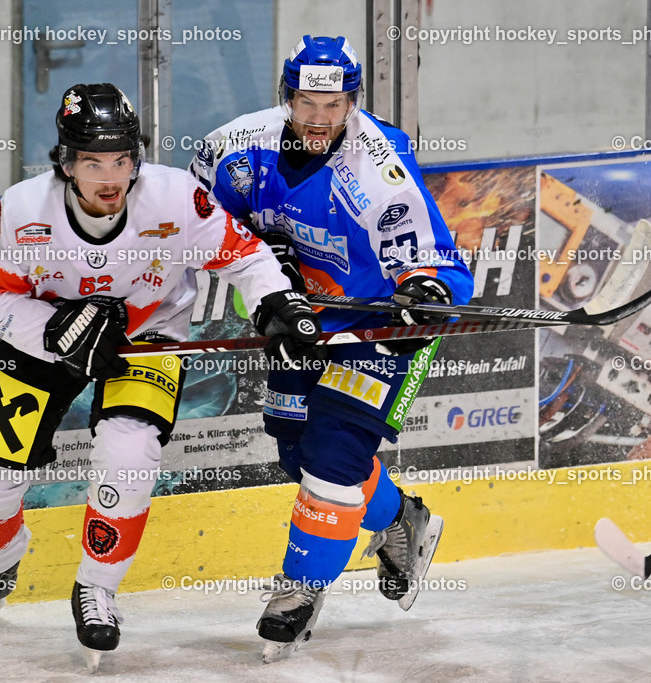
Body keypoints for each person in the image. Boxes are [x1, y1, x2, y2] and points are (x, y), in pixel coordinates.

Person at [0, 83, 320, 667]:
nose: (110, 178)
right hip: (52, 334)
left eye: (122, 160)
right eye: (93, 162)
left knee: (129, 454)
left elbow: (247, 256)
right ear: (65, 162)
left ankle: (98, 589)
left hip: (148, 335)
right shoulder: (24, 210)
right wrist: (54, 331)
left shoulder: (176, 198)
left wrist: (276, 302)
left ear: (136, 158)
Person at [189, 36, 475, 657]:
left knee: (333, 455)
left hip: (380, 329)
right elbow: (196, 218)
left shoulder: (379, 165)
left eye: (334, 104)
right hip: (303, 323)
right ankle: (401, 519)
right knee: (296, 452)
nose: (319, 118)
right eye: (306, 103)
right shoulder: (236, 149)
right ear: (286, 97)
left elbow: (435, 259)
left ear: (353, 102)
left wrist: (425, 288)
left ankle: (299, 589)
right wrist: (260, 257)